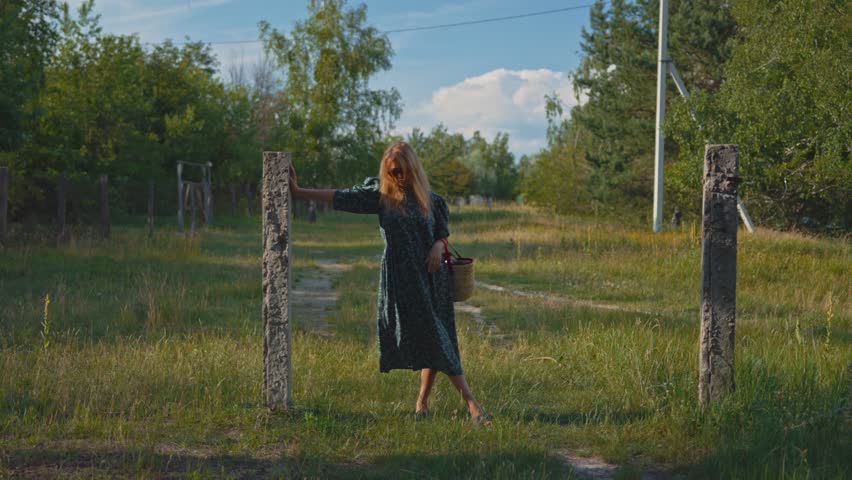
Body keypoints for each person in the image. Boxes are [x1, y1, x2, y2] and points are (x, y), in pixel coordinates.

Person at [288, 142, 491, 425]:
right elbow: (339, 196)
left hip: (434, 280)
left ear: (413, 168)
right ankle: (462, 405)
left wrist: (437, 246)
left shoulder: (433, 201)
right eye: (392, 171)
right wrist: (299, 192)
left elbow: (442, 234)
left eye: (402, 171)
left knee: (438, 337)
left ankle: (440, 404)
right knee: (434, 338)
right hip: (402, 281)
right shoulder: (381, 196)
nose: (398, 177)